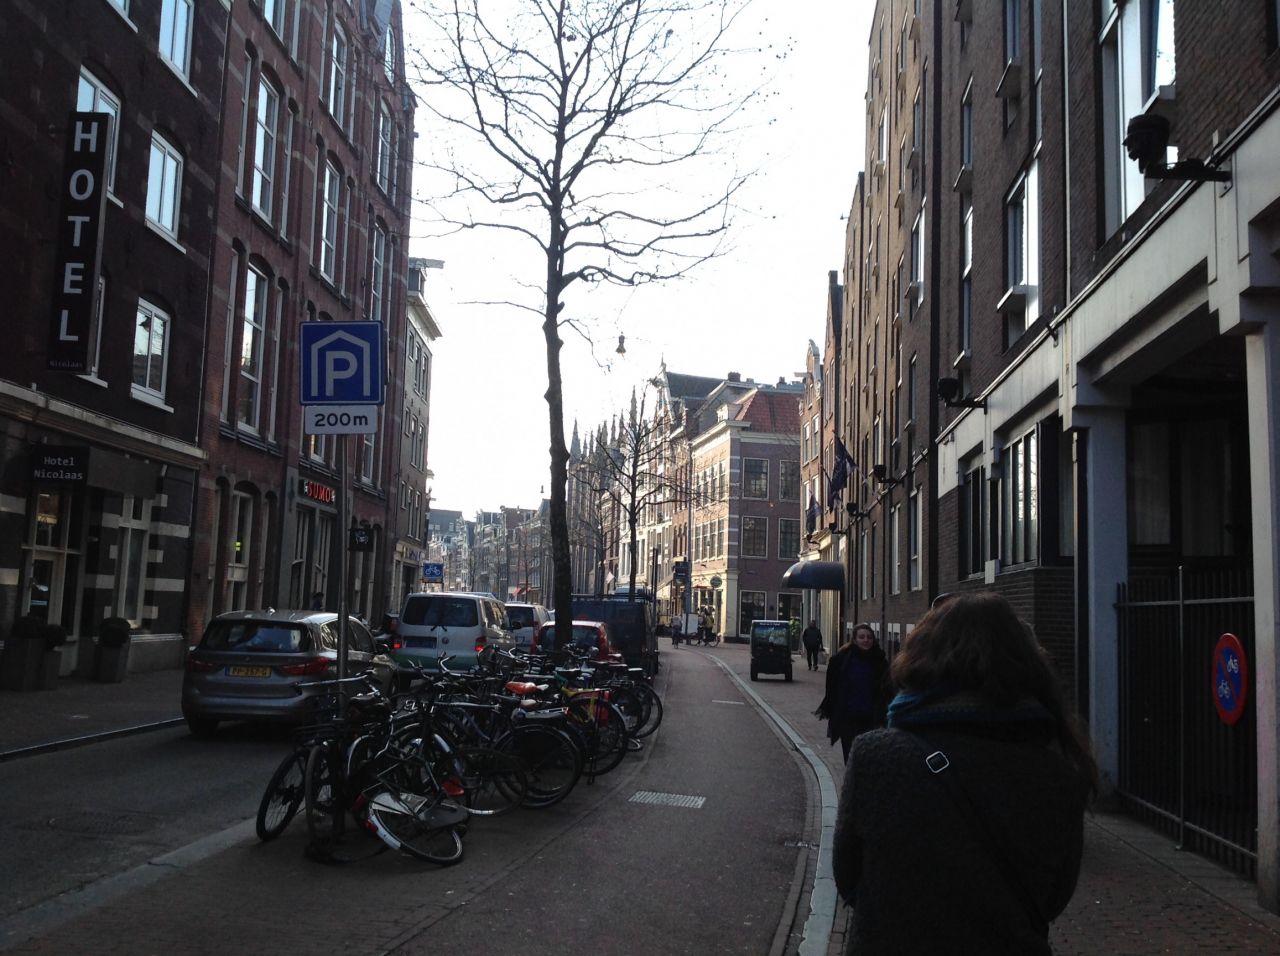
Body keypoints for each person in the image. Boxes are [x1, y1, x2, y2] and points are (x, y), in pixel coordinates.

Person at [831, 591, 1097, 955]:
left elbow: (848, 875)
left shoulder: (875, 757)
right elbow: (1054, 897)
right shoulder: (1061, 772)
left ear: (922, 658)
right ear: (1028, 663)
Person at [815, 623, 888, 760]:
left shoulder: (880, 661)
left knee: (870, 755)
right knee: (850, 755)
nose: (866, 640)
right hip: (848, 717)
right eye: (862, 637)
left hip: (871, 717)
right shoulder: (841, 661)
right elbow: (832, 689)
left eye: (869, 637)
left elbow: (886, 689)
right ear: (854, 640)